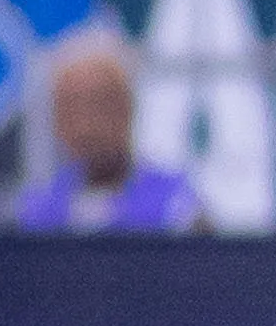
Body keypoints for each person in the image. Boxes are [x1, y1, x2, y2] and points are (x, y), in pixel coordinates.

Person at [15, 36, 204, 234]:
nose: (86, 125)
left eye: (100, 105)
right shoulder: (38, 211)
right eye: (72, 109)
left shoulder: (177, 205)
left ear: (128, 109)